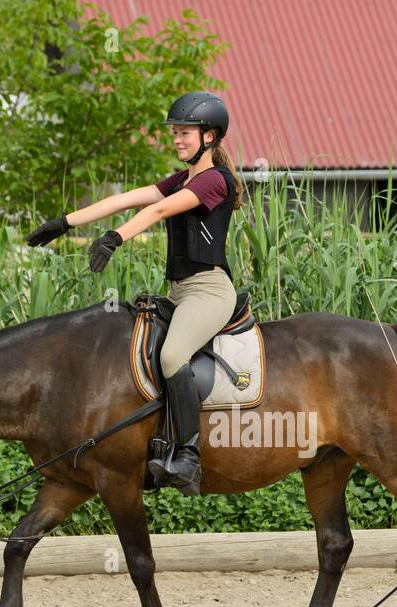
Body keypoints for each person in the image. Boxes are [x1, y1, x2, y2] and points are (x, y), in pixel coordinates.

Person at [24, 91, 244, 496]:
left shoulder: (215, 181)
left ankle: (189, 456)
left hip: (209, 292)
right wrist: (65, 222)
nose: (177, 140)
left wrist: (116, 238)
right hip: (178, 292)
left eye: (186, 133)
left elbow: (157, 212)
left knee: (173, 355)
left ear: (210, 137)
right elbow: (124, 199)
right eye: (175, 133)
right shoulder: (181, 179)